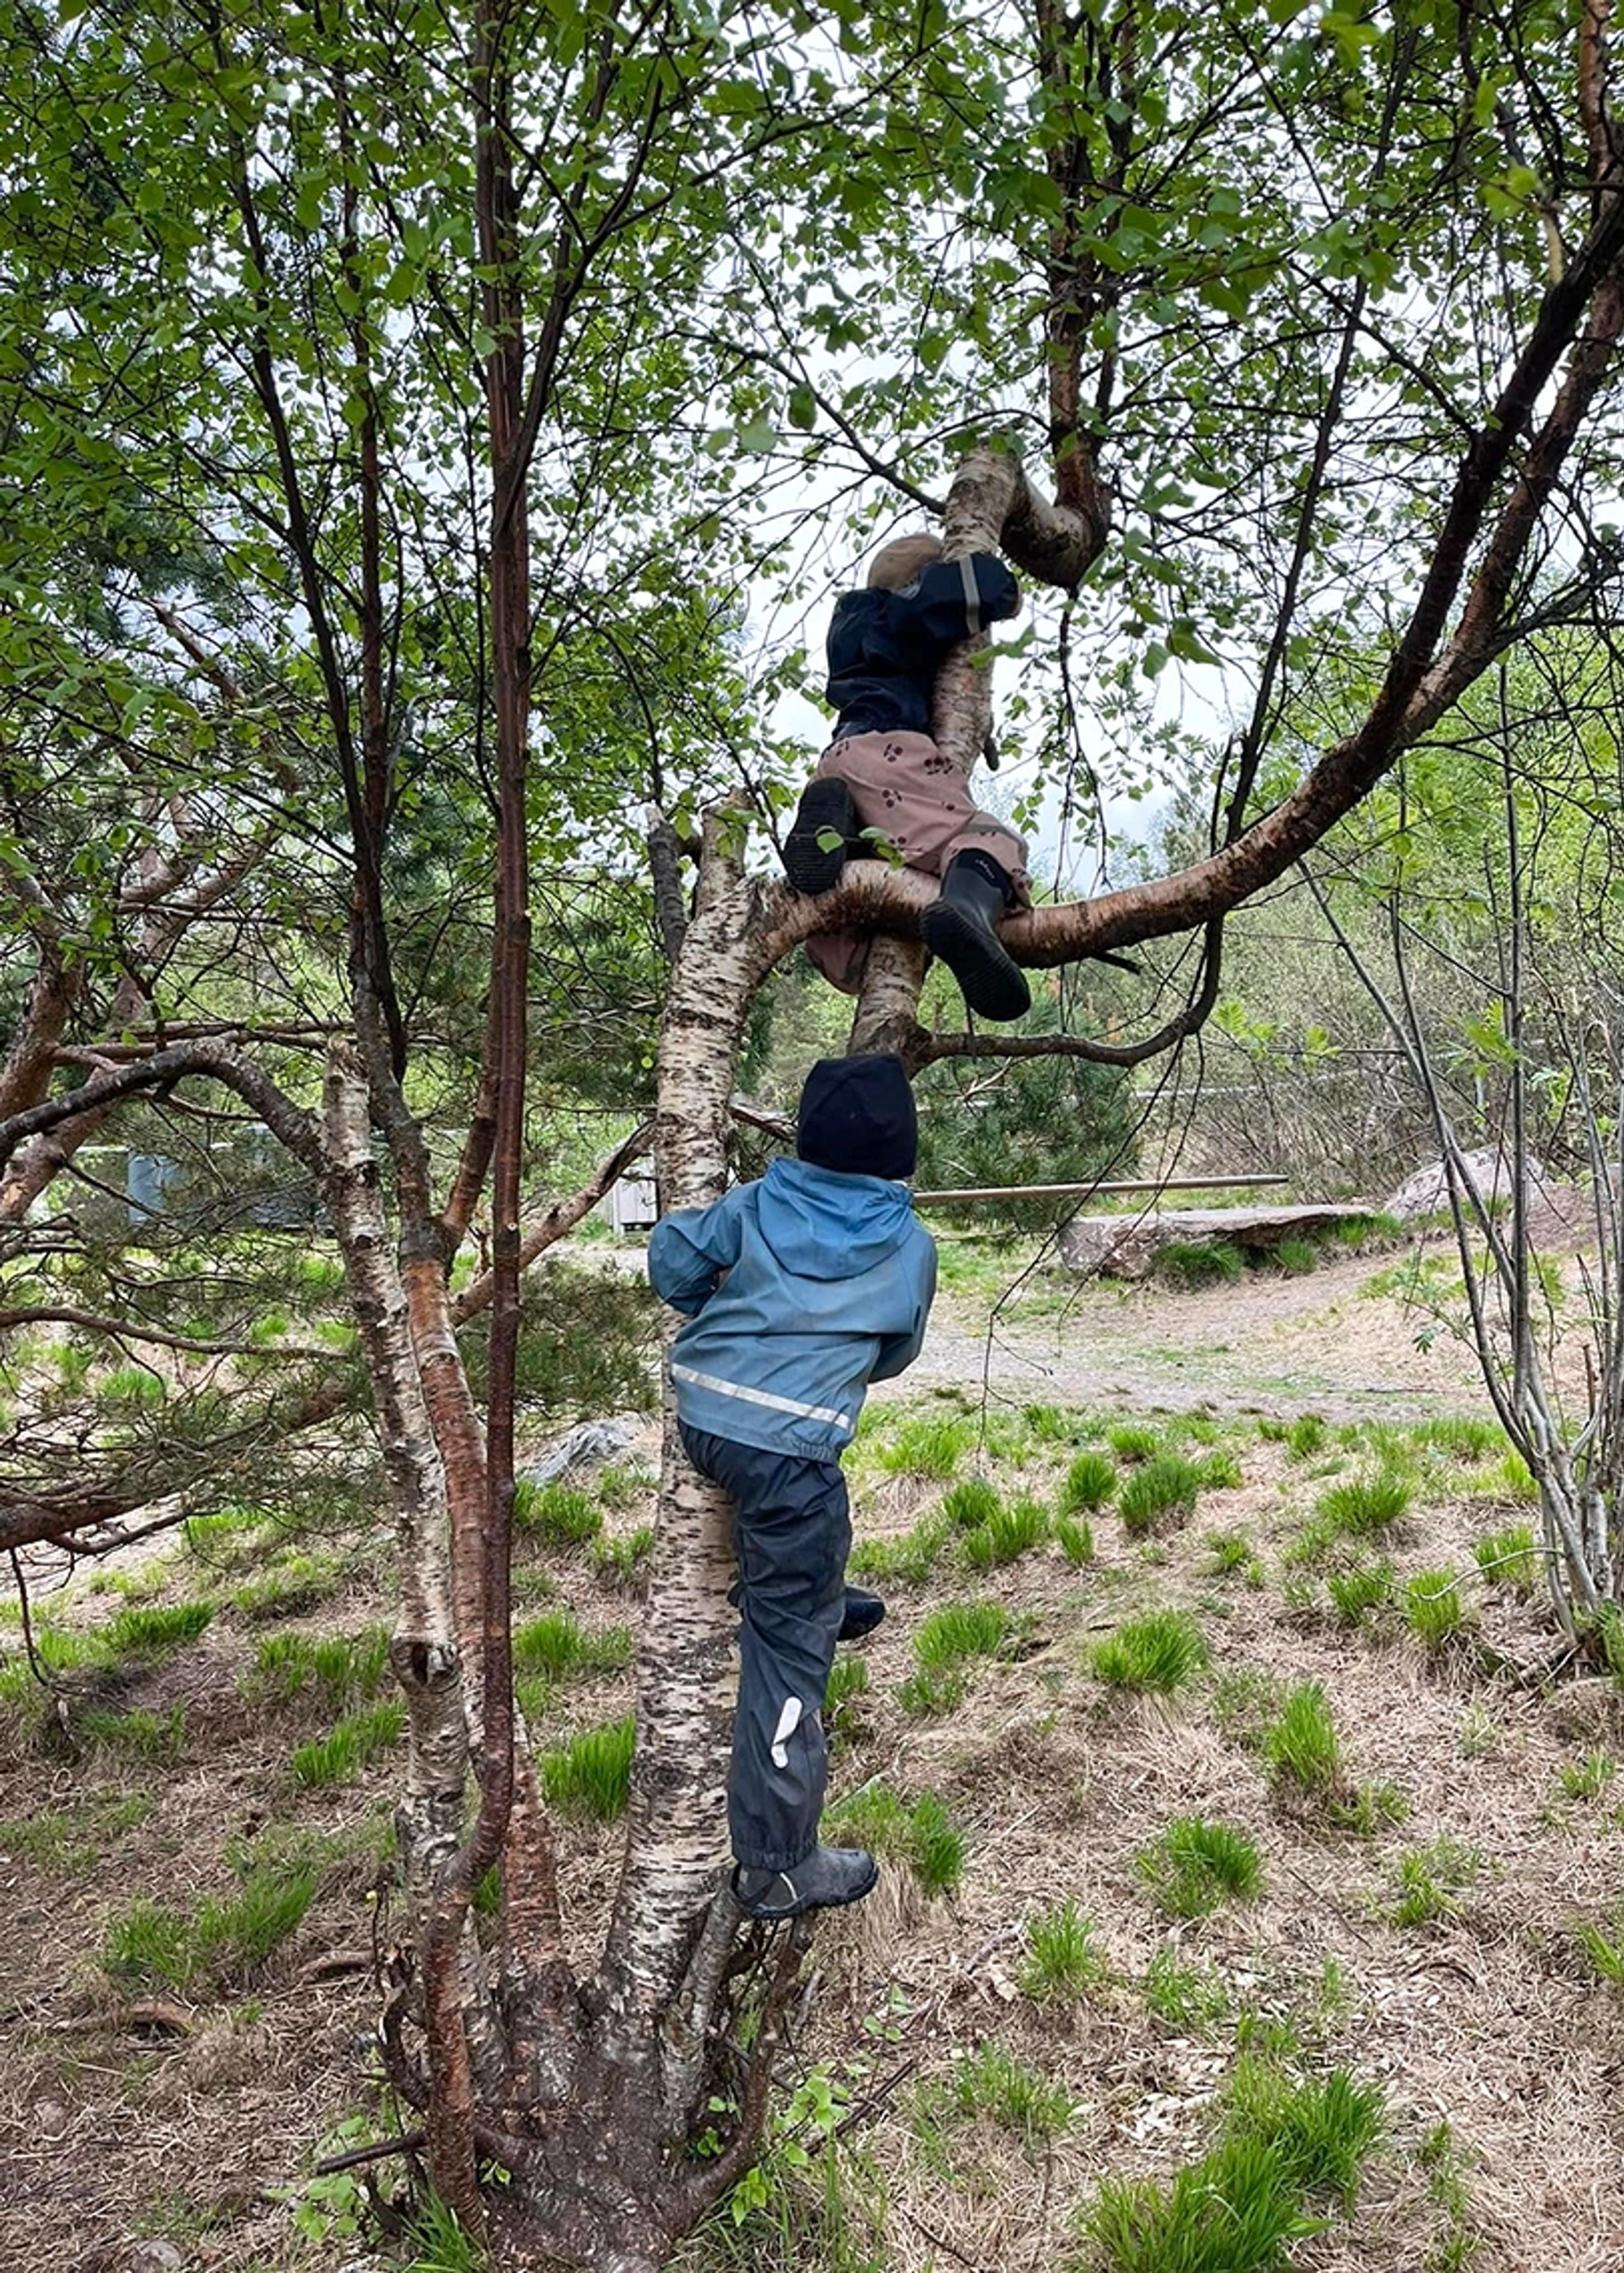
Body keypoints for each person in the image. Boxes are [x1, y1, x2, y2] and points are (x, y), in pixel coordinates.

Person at [647, 1053, 938, 1920]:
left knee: (811, 1532)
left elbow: (671, 1261)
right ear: (902, 1151)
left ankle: (809, 1592)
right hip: (789, 1451)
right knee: (787, 1654)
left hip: (705, 1416)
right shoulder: (910, 1247)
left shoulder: (754, 1204)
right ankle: (776, 1863)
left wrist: (720, 1299)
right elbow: (896, 1351)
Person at [783, 533, 1032, 1024]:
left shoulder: (850, 628)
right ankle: (969, 909)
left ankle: (839, 835)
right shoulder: (898, 614)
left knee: (853, 940)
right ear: (916, 581)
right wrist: (1001, 587)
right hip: (890, 755)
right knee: (987, 838)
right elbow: (971, 589)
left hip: (840, 761)